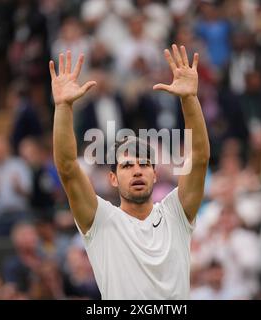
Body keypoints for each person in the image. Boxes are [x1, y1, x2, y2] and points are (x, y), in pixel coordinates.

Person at [49, 45, 210, 299]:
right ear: (112, 178)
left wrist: (189, 99)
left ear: (155, 175)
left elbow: (199, 158)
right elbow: (68, 168)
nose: (137, 171)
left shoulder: (175, 212)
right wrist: (63, 107)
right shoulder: (100, 220)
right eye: (126, 166)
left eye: (144, 164)